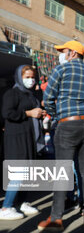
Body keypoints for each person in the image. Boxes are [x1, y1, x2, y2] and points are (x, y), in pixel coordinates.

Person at [38, 40, 84, 231]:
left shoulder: (61, 69)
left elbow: (47, 98)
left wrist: (57, 115)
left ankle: (56, 218)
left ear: (72, 53)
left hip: (67, 123)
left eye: (63, 51)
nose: (61, 54)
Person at [1, 65, 45, 220]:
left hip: (28, 137)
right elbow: (7, 113)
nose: (31, 80)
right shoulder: (12, 93)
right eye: (27, 77)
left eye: (32, 77)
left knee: (27, 173)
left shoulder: (30, 95)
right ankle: (6, 206)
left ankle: (22, 202)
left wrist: (39, 113)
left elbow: (32, 111)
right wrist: (29, 113)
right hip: (16, 137)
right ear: (19, 77)